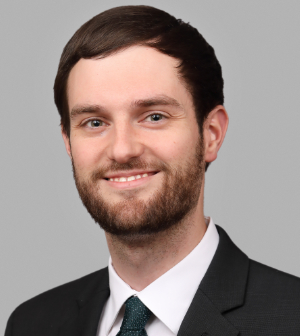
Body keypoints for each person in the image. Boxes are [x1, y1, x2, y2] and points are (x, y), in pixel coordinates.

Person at [5, 5, 300, 336]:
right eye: (95, 122)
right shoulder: (30, 324)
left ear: (211, 135)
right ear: (69, 142)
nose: (122, 149)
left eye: (154, 116)